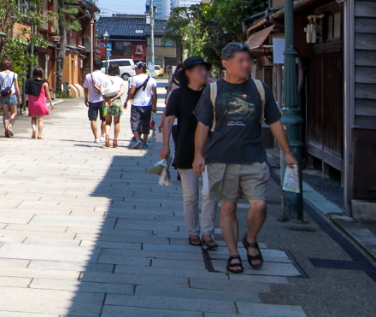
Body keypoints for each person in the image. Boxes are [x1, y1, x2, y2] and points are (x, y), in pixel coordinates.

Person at [193, 42, 299, 274]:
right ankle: (233, 253)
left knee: (259, 205)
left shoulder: (260, 89)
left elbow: (274, 122)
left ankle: (251, 239)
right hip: (221, 158)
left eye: (248, 60)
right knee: (228, 208)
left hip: (253, 157)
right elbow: (202, 125)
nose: (246, 65)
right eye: (240, 61)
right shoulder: (213, 91)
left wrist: (287, 152)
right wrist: (198, 155)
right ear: (225, 64)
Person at [161, 56, 217, 250]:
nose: (204, 73)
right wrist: (165, 146)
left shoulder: (212, 93)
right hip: (186, 148)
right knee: (191, 195)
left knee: (210, 193)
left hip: (212, 149)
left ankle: (208, 232)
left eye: (205, 69)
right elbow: (168, 120)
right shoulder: (178, 95)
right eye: (199, 70)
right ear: (188, 74)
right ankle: (193, 232)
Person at [124, 62, 157, 149]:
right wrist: (154, 105)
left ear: (141, 69)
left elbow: (131, 92)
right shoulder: (152, 80)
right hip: (148, 104)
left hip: (136, 104)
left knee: (135, 121)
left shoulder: (134, 79)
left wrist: (126, 101)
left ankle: (138, 139)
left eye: (136, 69)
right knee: (146, 122)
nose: (135, 70)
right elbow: (154, 94)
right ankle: (144, 142)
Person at [103, 64, 127, 148]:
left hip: (106, 103)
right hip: (117, 102)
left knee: (107, 121)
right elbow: (121, 92)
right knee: (117, 122)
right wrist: (113, 99)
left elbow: (101, 91)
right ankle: (115, 140)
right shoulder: (120, 80)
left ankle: (107, 136)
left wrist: (106, 100)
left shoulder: (104, 78)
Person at [83, 62, 108, 143]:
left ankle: (96, 137)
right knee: (104, 118)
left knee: (93, 119)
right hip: (103, 100)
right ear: (101, 67)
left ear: (93, 66)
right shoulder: (104, 76)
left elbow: (85, 88)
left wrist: (86, 97)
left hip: (92, 100)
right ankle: (102, 136)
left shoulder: (88, 76)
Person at [25, 67, 51, 138]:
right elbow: (48, 94)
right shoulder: (44, 83)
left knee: (33, 119)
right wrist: (51, 103)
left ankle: (34, 130)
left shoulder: (29, 82)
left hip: (32, 103)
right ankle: (39, 135)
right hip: (41, 104)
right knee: (40, 119)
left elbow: (27, 93)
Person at [0, 61, 19, 137]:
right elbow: (16, 87)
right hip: (12, 95)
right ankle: (10, 126)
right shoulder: (14, 74)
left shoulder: (0, 74)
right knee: (14, 113)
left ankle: (6, 131)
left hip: (3, 95)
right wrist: (19, 96)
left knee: (5, 114)